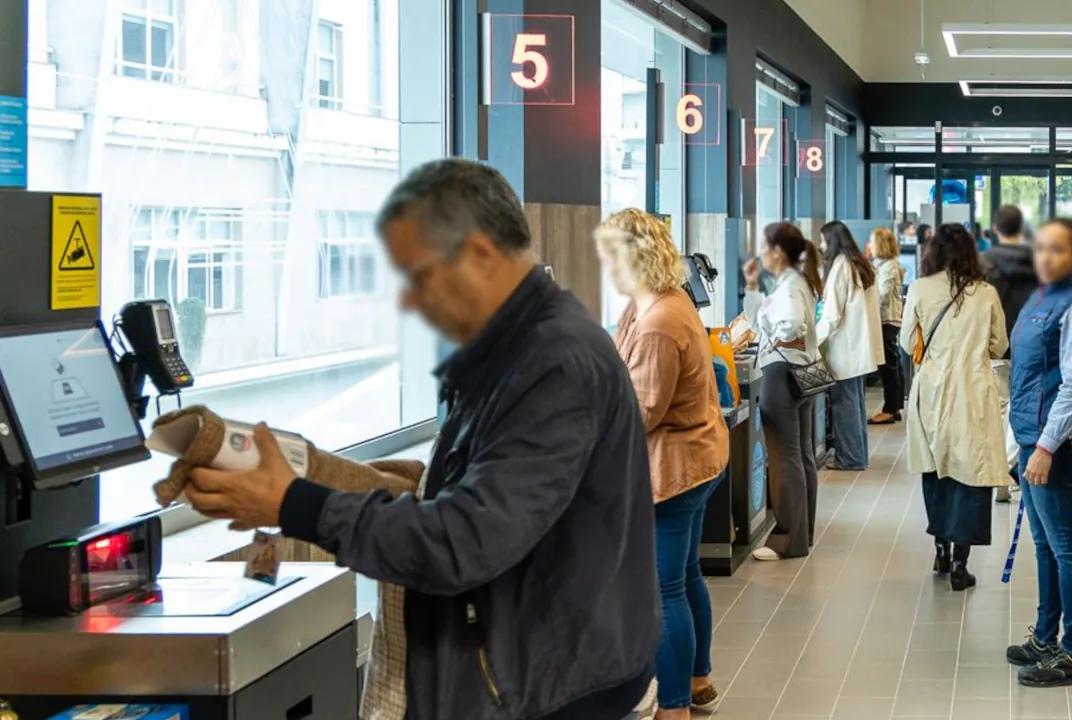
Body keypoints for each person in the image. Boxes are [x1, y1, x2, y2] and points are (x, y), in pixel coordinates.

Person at [184, 159, 660, 720]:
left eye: (421, 275)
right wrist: (315, 471)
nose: (410, 301)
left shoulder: (555, 363)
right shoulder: (511, 348)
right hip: (535, 673)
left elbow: (467, 539)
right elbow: (467, 482)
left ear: (479, 255)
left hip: (549, 693)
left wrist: (297, 505)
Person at [595, 210, 730, 719]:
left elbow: (641, 411)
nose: (607, 267)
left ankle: (672, 708)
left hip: (672, 472)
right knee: (686, 575)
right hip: (697, 459)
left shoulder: (658, 323)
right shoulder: (659, 303)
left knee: (663, 589)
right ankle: (698, 681)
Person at [1006, 219, 1072, 689]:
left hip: (1060, 443)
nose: (1046, 257)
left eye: (1057, 249)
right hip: (1032, 434)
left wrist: (1045, 446)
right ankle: (1046, 638)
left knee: (1067, 546)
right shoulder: (1042, 297)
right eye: (1041, 248)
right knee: (1045, 544)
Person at [900, 224, 1009, 591]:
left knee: (936, 468)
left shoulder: (920, 288)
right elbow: (998, 344)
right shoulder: (986, 293)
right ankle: (961, 563)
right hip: (973, 391)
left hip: (931, 390)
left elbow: (907, 343)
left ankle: (940, 548)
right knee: (971, 473)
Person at [742, 223, 822, 561]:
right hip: (803, 371)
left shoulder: (790, 286)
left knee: (783, 457)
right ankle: (803, 532)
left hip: (781, 372)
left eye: (764, 246)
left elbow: (790, 323)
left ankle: (788, 540)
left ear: (777, 252)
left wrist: (774, 341)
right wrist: (751, 286)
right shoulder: (795, 281)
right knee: (801, 455)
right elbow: (758, 320)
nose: (761, 252)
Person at [817, 221, 885, 471]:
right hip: (859, 350)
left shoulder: (841, 267)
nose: (821, 245)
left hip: (845, 351)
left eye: (823, 240)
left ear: (832, 241)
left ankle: (849, 459)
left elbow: (832, 315)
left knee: (844, 406)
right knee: (855, 405)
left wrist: (811, 341)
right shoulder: (860, 265)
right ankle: (858, 454)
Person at [984, 205, 1038, 505]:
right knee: (1022, 405)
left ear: (995, 228)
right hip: (1029, 344)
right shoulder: (1038, 262)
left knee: (997, 407)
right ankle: (1008, 465)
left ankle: (996, 472)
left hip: (994, 346)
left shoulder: (984, 263)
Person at [869, 227, 906, 425]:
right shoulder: (883, 265)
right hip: (887, 319)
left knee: (888, 365)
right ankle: (895, 406)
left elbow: (882, 295)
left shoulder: (889, 267)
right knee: (892, 363)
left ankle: (890, 409)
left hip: (887, 320)